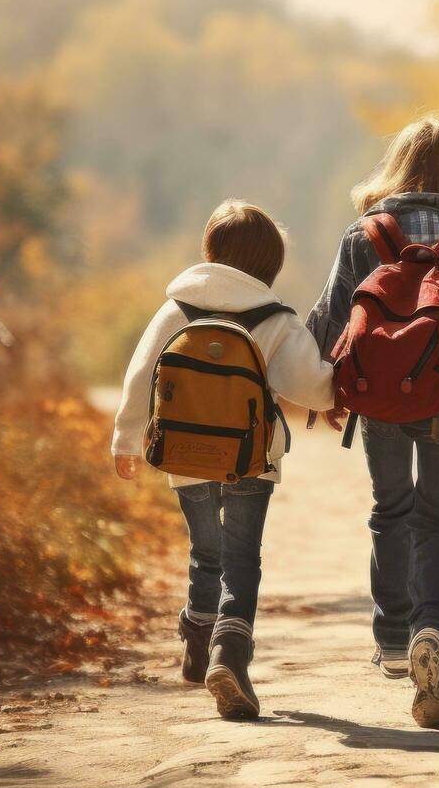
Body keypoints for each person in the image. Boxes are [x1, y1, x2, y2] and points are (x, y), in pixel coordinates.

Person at [307, 116, 439, 729]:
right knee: (435, 517)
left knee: (390, 510)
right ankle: (432, 624)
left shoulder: (363, 236)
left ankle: (395, 638)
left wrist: (323, 388)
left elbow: (330, 317)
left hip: (378, 399)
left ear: (395, 169)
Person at [112, 200, 335, 720]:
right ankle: (229, 653)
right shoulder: (275, 318)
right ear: (270, 264)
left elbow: (141, 373)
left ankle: (196, 632)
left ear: (210, 251)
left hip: (185, 454)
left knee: (204, 552)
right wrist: (338, 392)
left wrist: (125, 441)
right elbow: (311, 386)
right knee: (241, 559)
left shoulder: (177, 310)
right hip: (251, 459)